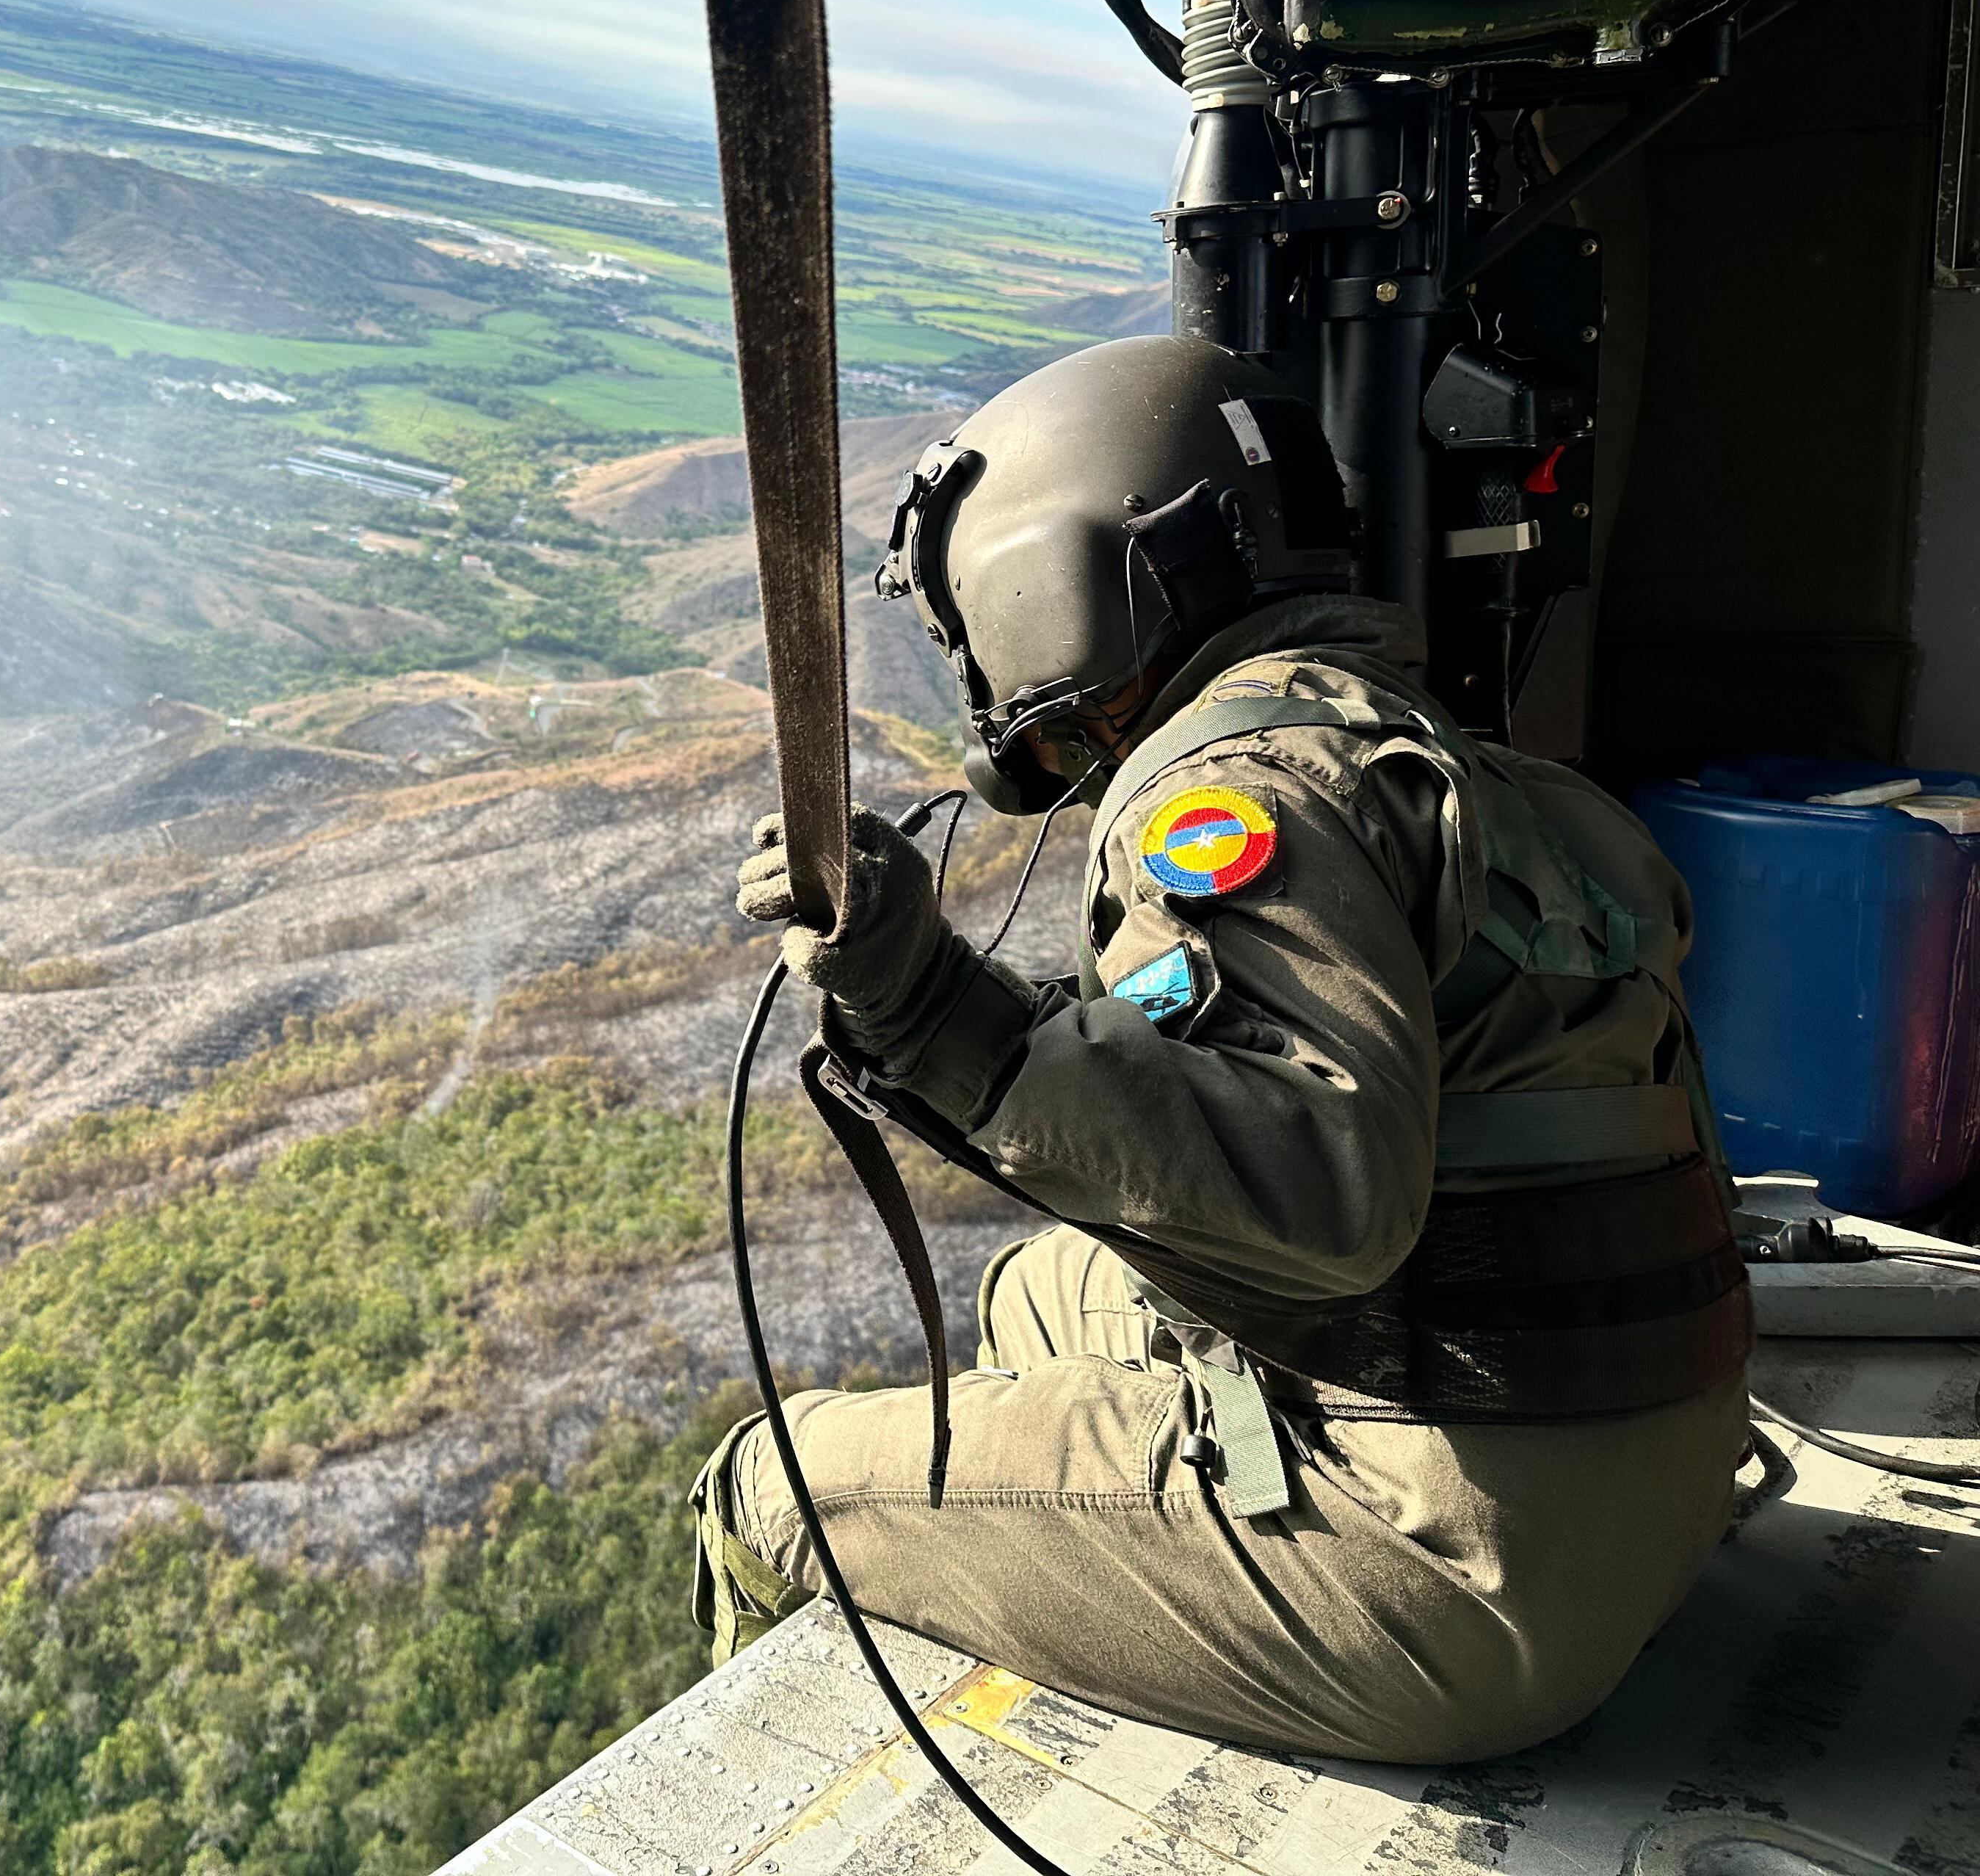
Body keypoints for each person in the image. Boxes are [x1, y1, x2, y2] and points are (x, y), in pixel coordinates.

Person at [692, 334, 1752, 1765]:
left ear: (1055, 586)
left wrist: (930, 1008)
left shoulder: (1232, 790)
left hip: (1453, 1571)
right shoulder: (1433, 757)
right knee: (1041, 1291)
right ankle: (1112, 1526)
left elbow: (1323, 1196)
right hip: (1649, 1480)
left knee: (771, 1482)